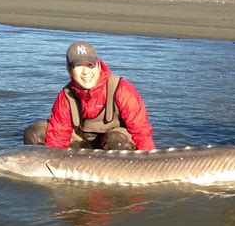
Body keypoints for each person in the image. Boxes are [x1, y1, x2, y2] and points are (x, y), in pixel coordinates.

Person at [24, 41, 155, 151]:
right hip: (83, 138)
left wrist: (150, 159)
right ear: (69, 69)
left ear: (98, 65)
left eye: (90, 65)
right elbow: (58, 137)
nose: (86, 72)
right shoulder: (66, 96)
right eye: (79, 66)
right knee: (33, 133)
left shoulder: (122, 88)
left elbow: (141, 131)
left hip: (113, 138)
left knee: (117, 142)